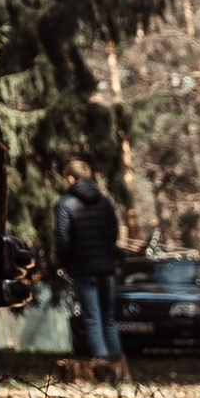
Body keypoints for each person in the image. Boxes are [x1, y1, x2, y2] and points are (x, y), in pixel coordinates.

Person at [54, 156, 125, 380]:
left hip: (83, 268)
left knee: (92, 318)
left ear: (71, 178)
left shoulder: (65, 204)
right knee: (109, 319)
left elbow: (63, 239)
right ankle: (119, 369)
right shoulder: (104, 202)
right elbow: (113, 234)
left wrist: (64, 263)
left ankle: (103, 371)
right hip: (107, 267)